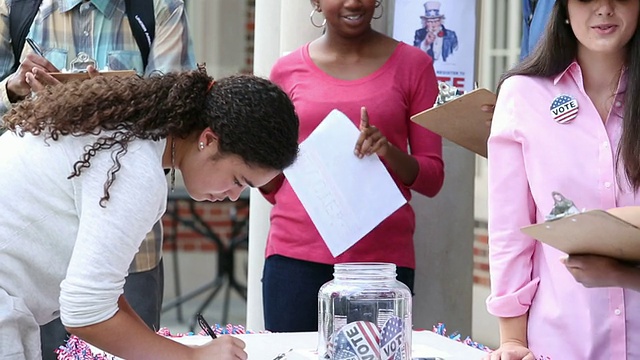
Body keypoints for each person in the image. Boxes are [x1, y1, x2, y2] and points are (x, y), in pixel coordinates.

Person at [0, 68, 299, 359]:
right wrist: (192, 358)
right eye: (238, 181)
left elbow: (103, 291)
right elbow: (85, 312)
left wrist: (163, 348)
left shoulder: (130, 137)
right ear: (208, 140)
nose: (233, 196)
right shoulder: (135, 167)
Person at [0, 0, 195, 356]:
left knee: (124, 349)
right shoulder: (15, 8)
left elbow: (176, 112)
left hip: (125, 242)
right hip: (38, 238)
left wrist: (102, 104)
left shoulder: (157, 8)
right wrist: (13, 91)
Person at [261, 0, 445, 332]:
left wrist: (387, 150)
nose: (353, 2)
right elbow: (269, 175)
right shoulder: (286, 70)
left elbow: (432, 178)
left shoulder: (414, 66)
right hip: (294, 258)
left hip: (380, 267)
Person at [486, 0, 640, 359]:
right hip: (560, 342)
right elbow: (510, 229)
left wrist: (621, 272)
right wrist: (512, 340)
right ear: (564, 9)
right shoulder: (523, 94)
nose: (604, 8)